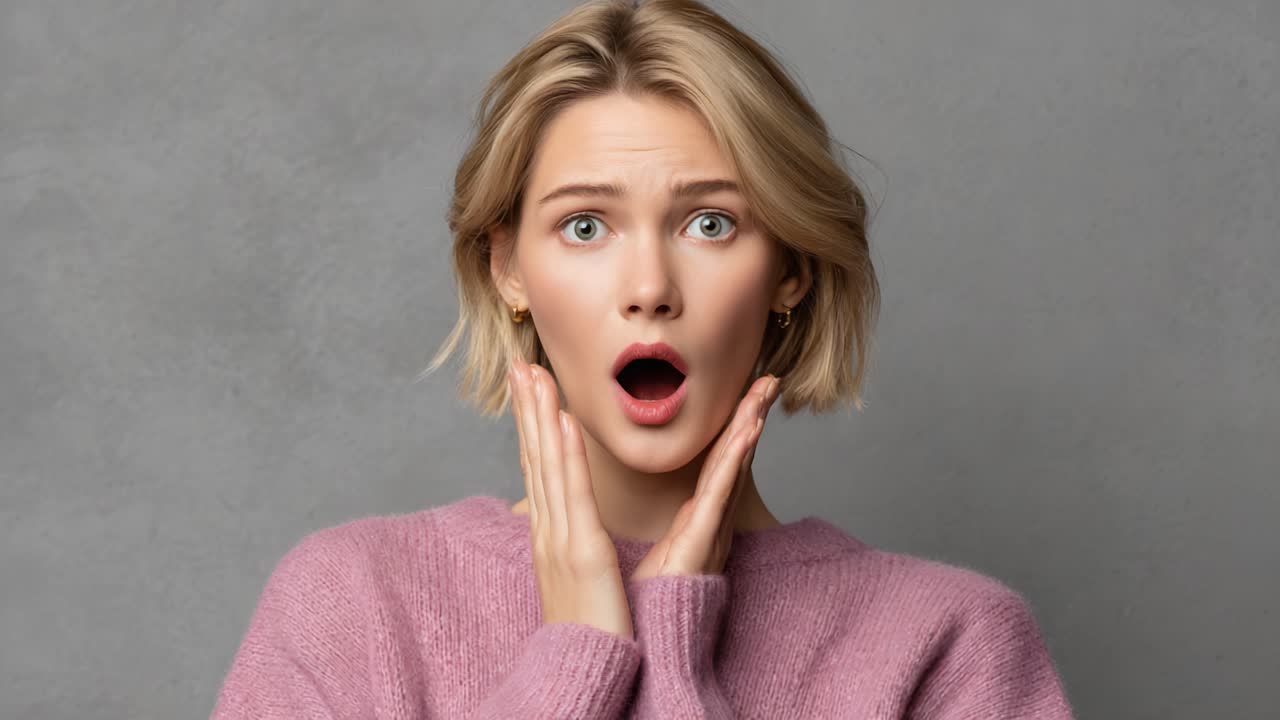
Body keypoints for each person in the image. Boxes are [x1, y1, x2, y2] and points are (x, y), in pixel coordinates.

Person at [210, 0, 1076, 717]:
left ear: (791, 270)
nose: (650, 287)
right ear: (507, 268)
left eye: (711, 224)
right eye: (585, 226)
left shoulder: (950, 646)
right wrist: (573, 659)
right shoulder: (351, 607)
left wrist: (676, 660)